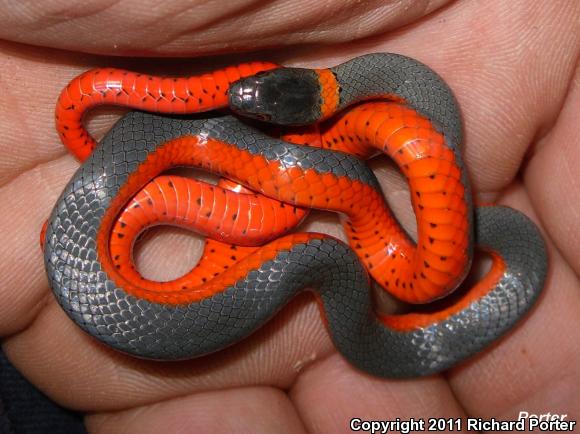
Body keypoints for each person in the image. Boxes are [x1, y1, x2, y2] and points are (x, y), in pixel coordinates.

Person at [0, 0, 578, 432]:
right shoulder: (308, 143)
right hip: (266, 180)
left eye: (261, 95)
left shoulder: (398, 104)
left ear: (326, 93)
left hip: (340, 195)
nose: (243, 99)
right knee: (329, 249)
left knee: (342, 256)